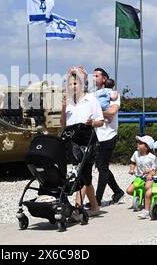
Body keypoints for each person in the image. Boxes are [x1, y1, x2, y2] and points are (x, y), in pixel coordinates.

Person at [60, 66, 105, 217]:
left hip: (88, 142)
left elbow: (100, 121)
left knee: (80, 175)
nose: (73, 86)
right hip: (72, 143)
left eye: (75, 83)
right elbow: (63, 124)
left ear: (82, 84)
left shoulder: (91, 99)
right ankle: (95, 207)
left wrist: (90, 123)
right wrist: (63, 107)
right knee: (85, 176)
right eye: (70, 83)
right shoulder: (67, 102)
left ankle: (78, 209)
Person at [92, 68, 125, 206]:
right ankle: (117, 191)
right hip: (96, 135)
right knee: (101, 167)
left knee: (103, 167)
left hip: (109, 134)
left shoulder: (113, 94)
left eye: (96, 75)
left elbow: (111, 112)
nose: (93, 78)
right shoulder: (93, 94)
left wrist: (96, 111)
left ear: (104, 79)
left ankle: (96, 200)